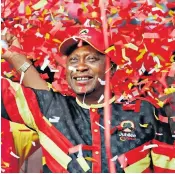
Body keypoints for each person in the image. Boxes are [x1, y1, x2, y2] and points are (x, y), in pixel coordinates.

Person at [1, 27, 175, 173]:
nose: (81, 66)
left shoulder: (145, 113)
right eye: (74, 60)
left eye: (91, 59)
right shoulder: (49, 108)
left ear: (111, 67)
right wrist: (14, 57)